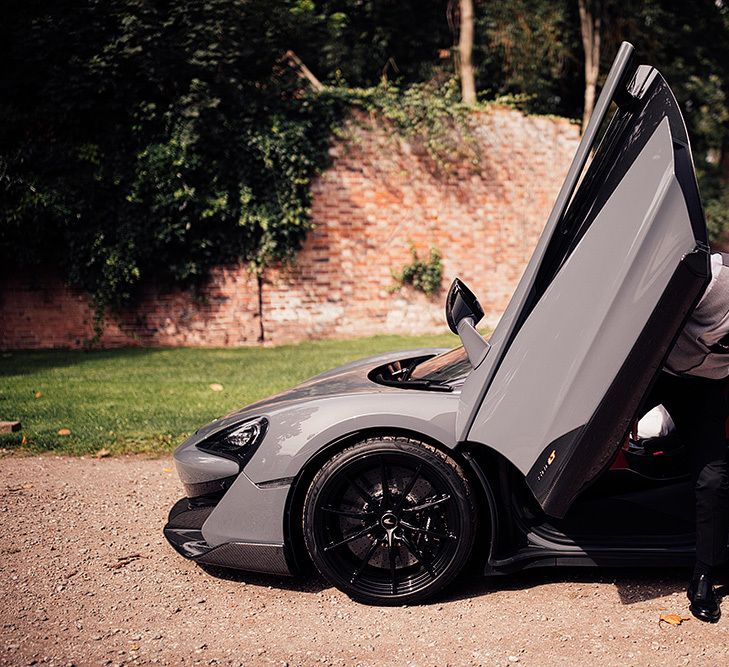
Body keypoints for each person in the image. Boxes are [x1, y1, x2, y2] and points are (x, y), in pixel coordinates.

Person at [639, 252, 729, 623]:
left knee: (714, 478)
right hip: (653, 368)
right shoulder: (715, 278)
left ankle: (704, 574)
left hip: (705, 387)